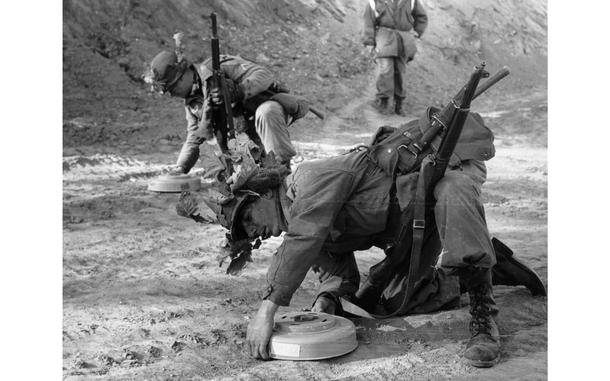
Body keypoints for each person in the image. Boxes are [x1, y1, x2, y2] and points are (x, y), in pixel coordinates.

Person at [200, 111, 546, 368]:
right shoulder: (300, 222)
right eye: (246, 236)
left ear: (262, 192)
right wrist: (328, 303)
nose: (254, 234)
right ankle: (494, 266)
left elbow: (306, 236)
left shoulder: (308, 182)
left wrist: (267, 310)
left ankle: (484, 315)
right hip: (413, 228)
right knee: (385, 303)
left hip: (445, 177)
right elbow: (338, 275)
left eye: (248, 219)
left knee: (453, 190)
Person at [144, 50, 310, 174]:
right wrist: (181, 167)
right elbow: (194, 137)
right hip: (243, 140)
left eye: (171, 88)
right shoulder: (193, 103)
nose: (172, 94)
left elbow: (264, 74)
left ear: (183, 75)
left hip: (264, 115)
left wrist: (239, 90)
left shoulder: (217, 67)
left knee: (266, 112)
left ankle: (281, 168)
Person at [362, 0, 428, 115]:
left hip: (404, 40)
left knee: (400, 71)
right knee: (385, 70)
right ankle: (384, 101)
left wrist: (418, 32)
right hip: (385, 38)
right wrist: (369, 42)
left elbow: (422, 17)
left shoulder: (411, 1)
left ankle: (399, 104)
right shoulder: (374, 2)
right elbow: (369, 21)